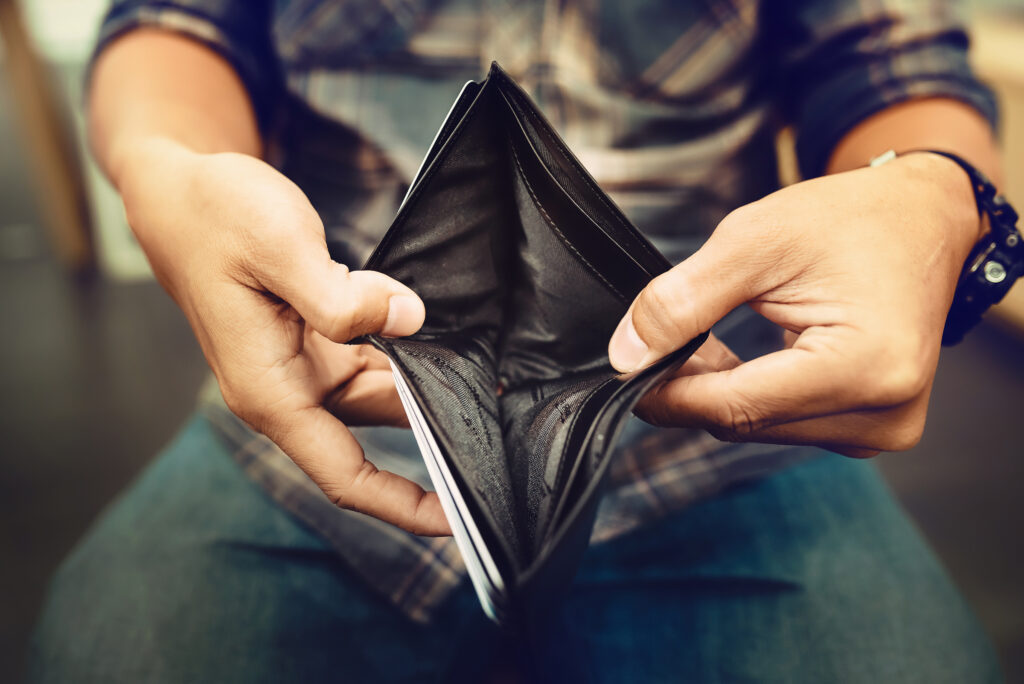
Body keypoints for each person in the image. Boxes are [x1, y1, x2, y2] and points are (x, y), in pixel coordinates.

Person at [28, 0, 1007, 681]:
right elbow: (172, 26)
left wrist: (928, 198)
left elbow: (891, 65)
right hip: (321, 378)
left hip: (734, 420)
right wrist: (169, 170)